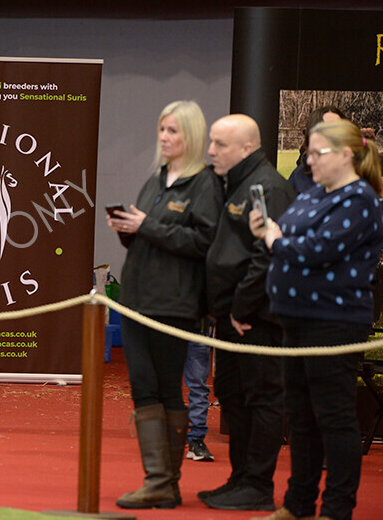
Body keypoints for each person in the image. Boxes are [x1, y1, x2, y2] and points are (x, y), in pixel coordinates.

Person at [249, 119, 383, 520]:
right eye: (308, 153)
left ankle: (337, 509)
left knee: (335, 417)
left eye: (316, 153)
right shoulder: (314, 195)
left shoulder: (360, 199)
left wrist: (273, 237)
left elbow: (315, 251)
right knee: (302, 417)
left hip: (334, 321)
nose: (309, 161)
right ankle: (298, 503)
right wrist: (270, 232)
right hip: (298, 317)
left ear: (346, 155)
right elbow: (293, 242)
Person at [106, 100, 223, 509]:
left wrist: (148, 227)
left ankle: (164, 481)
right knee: (143, 388)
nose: (164, 136)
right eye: (161, 129)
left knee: (162, 388)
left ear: (190, 136)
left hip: (173, 302)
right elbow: (153, 235)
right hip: (138, 298)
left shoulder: (205, 185)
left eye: (173, 130)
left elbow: (205, 243)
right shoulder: (156, 179)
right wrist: (129, 229)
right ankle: (160, 482)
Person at [202, 114, 296, 511]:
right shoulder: (239, 183)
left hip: (255, 317)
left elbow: (265, 256)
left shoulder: (266, 187)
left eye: (220, 144)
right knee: (235, 396)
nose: (210, 151)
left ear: (247, 148)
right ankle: (240, 478)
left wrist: (241, 308)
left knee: (261, 398)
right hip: (233, 316)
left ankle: (257, 484)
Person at [288, 106, 345, 194]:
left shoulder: (357, 177)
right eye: (327, 129)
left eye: (338, 129)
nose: (334, 135)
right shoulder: (298, 177)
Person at [184, 322, 214, 462]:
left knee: (199, 388)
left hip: (198, 328)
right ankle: (165, 439)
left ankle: (196, 440)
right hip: (166, 326)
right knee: (164, 386)